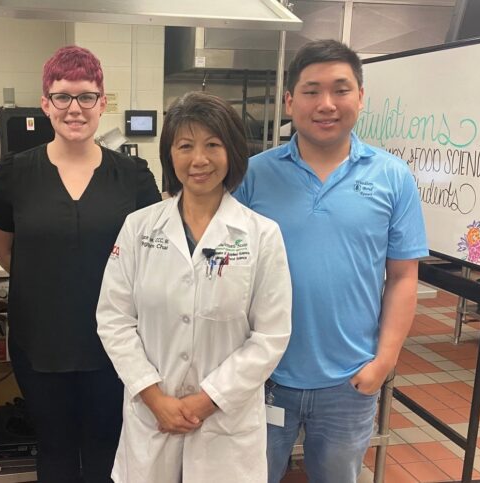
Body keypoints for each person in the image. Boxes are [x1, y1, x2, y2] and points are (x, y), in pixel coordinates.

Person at [234, 39, 429, 483]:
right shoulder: (253, 175)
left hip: (349, 381)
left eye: (340, 90)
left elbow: (402, 277)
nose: (326, 104)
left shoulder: (391, 176)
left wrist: (383, 363)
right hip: (264, 378)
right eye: (310, 90)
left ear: (361, 96)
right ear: (289, 101)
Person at [0, 45, 161, 482]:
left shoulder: (132, 177)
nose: (74, 108)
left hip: (115, 347)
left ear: (102, 102)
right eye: (62, 96)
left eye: (86, 96)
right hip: (40, 345)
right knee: (56, 452)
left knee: (108, 449)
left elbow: (150, 251)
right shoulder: (14, 174)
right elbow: (4, 248)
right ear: (46, 103)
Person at [96, 91, 292, 483]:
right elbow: (113, 319)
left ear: (232, 151)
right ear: (170, 154)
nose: (198, 159)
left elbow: (271, 335)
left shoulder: (261, 235)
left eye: (212, 145)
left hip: (225, 423)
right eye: (185, 146)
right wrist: (154, 398)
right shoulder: (139, 227)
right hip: (153, 417)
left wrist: (206, 401)